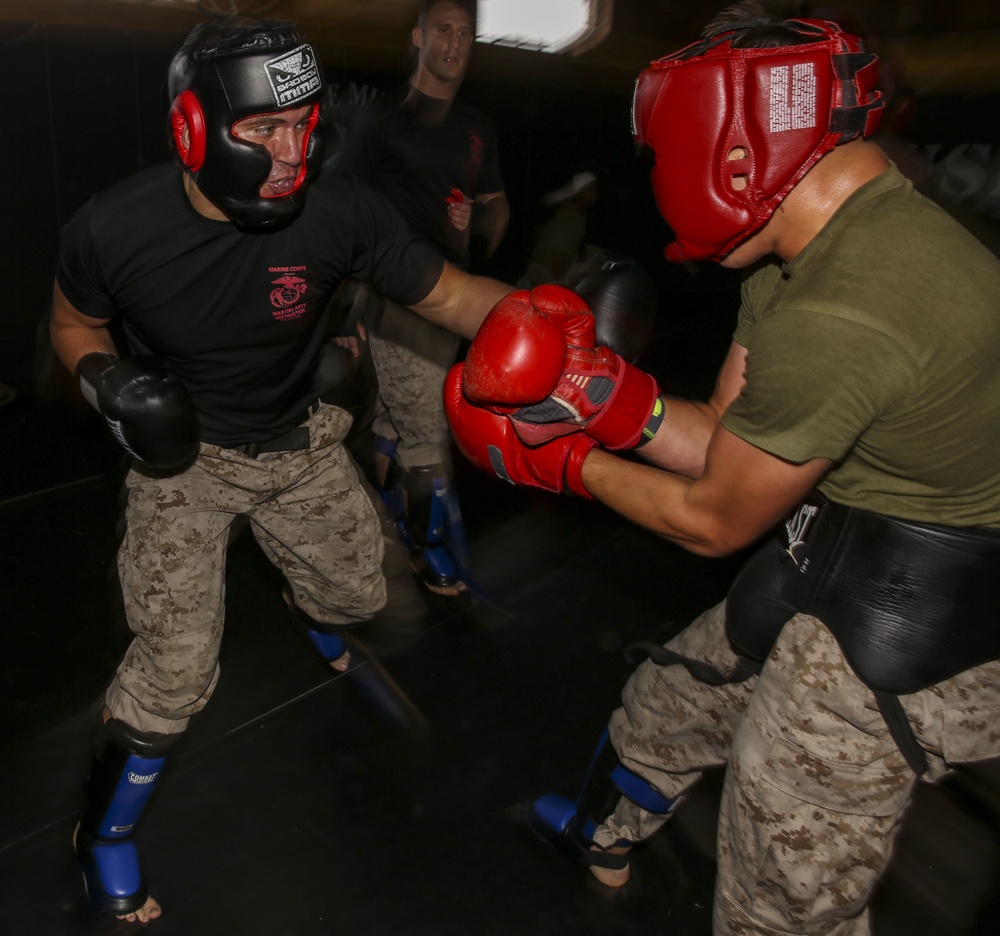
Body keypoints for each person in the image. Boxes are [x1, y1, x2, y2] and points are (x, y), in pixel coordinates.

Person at [443, 3, 1000, 934]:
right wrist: (598, 396)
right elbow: (723, 438)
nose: (661, 177)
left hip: (941, 612)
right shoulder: (801, 248)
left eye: (670, 152)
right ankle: (604, 835)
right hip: (846, 533)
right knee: (671, 698)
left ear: (738, 155)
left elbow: (712, 519)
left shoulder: (845, 308)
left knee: (781, 890)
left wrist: (565, 463)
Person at [49, 18, 511, 924]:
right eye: (264, 129)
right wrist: (107, 380)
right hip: (183, 464)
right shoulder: (114, 228)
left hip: (300, 446)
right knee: (176, 669)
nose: (293, 152)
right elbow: (73, 323)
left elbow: (455, 295)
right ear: (193, 129)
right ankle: (101, 834)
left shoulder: (339, 209)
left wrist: (556, 331)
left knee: (359, 594)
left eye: (303, 124)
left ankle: (311, 605)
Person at [333, 0, 509, 598]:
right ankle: (434, 556)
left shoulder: (478, 127)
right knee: (430, 433)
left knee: (396, 419)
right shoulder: (384, 119)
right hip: (398, 300)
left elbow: (499, 208)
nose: (454, 43)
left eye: (465, 33)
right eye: (443, 30)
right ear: (418, 37)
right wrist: (343, 306)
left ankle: (390, 521)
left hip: (453, 298)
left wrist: (477, 220)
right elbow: (341, 210)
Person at [522, 171, 599, 287]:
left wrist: (581, 249)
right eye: (589, 189)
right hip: (545, 271)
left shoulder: (579, 210)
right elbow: (558, 259)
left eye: (595, 187)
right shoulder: (569, 219)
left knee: (592, 255)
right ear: (578, 193)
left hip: (552, 262)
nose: (594, 192)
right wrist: (563, 287)